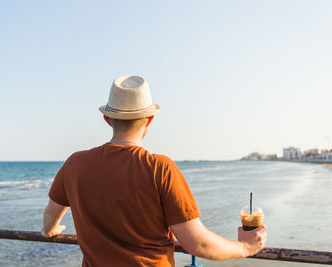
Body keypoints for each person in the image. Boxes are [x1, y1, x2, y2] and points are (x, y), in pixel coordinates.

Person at [41, 75, 267, 266]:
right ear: (150, 119)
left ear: (107, 119)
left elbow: (51, 214)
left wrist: (50, 231)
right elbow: (197, 243)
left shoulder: (75, 163)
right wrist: (245, 247)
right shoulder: (160, 168)